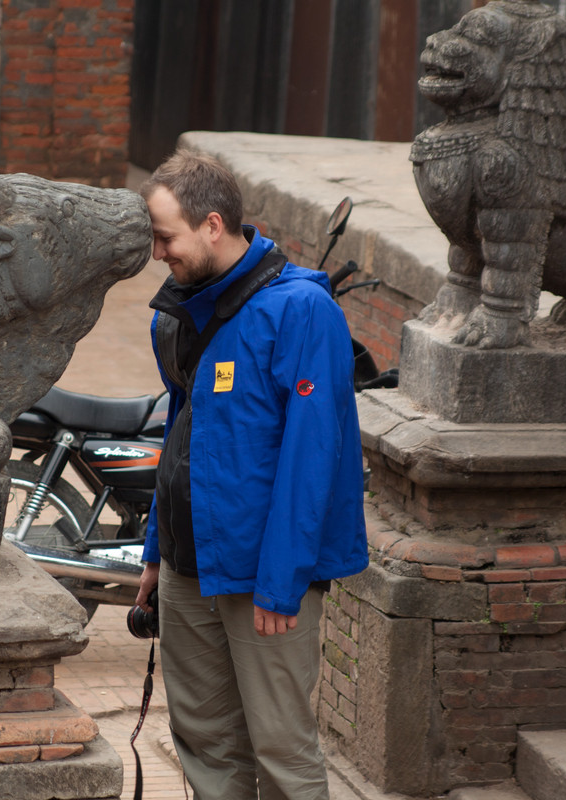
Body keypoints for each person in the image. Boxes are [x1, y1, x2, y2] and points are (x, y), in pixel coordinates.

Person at [133, 148, 370, 800]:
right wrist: (155, 551)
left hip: (263, 576)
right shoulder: (181, 310)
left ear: (212, 225)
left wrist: (282, 583)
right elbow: (181, 431)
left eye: (165, 237)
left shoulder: (301, 312)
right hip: (188, 565)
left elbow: (313, 459)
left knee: (282, 754)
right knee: (205, 746)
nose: (158, 254)